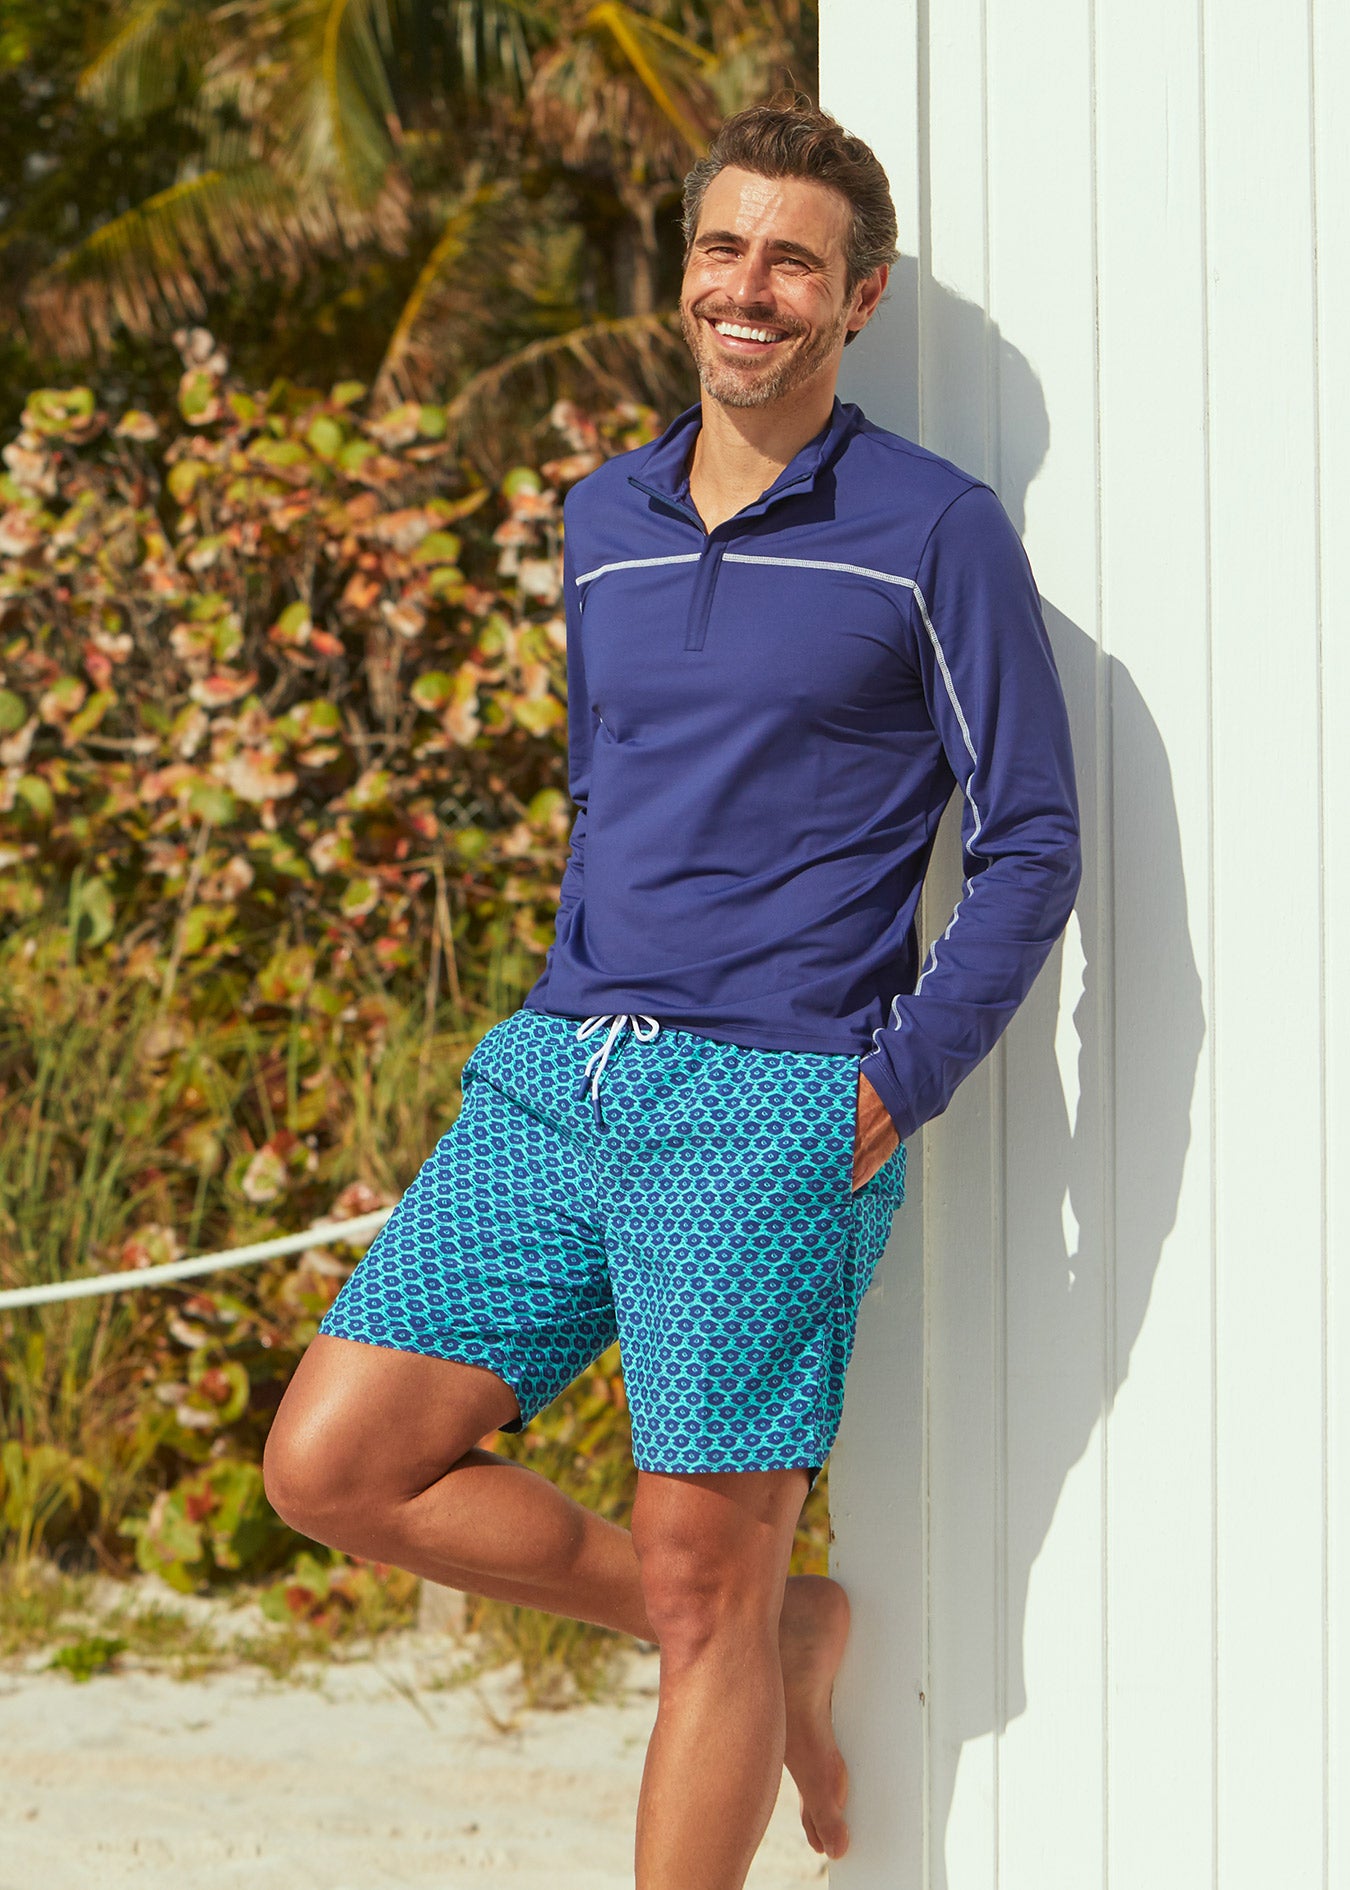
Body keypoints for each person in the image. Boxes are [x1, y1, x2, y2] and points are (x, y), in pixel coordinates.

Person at [264, 99, 1081, 1890]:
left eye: (793, 260)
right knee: (332, 1466)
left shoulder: (928, 531)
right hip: (559, 1076)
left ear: (857, 297)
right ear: (684, 267)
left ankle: (751, 1628)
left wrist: (887, 1086)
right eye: (723, 248)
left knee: (706, 1579)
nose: (748, 288)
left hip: (773, 1102)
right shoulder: (603, 517)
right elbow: (604, 784)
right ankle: (785, 1633)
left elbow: (1030, 839)